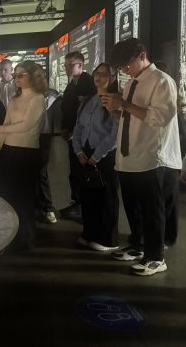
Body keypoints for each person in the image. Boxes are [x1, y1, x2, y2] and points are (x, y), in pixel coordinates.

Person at [101, 38, 181, 276]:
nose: (125, 70)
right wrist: (115, 110)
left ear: (142, 55)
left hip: (152, 157)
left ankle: (156, 257)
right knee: (133, 207)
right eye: (121, 67)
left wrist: (124, 104)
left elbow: (159, 118)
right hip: (129, 156)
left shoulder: (161, 81)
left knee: (152, 210)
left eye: (127, 64)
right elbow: (131, 118)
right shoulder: (132, 83)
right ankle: (138, 245)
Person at [0, 60, 47, 250]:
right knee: (8, 196)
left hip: (26, 153)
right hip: (9, 152)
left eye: (21, 74)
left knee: (24, 198)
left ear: (33, 76)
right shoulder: (15, 99)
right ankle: (10, 237)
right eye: (16, 74)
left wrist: (2, 129)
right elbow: (7, 125)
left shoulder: (38, 98)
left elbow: (26, 125)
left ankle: (26, 238)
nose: (16, 78)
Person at [73, 63, 120, 251]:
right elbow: (78, 127)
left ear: (112, 78)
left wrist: (97, 155)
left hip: (105, 154)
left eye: (103, 74)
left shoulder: (116, 100)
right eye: (96, 74)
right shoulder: (88, 100)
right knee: (88, 195)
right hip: (85, 152)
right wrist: (78, 150)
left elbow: (115, 133)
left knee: (106, 197)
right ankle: (89, 233)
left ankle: (107, 239)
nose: (98, 77)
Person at [59, 51, 95, 222]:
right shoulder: (71, 84)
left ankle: (82, 206)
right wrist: (64, 128)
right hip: (72, 135)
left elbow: (88, 113)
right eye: (65, 66)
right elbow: (67, 109)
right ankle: (77, 202)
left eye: (70, 65)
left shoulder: (88, 83)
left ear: (80, 65)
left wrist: (74, 132)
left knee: (80, 170)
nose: (67, 69)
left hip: (82, 137)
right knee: (74, 170)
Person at [35, 88, 61, 224]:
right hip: (30, 134)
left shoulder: (50, 95)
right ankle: (38, 207)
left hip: (43, 135)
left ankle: (47, 207)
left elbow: (48, 102)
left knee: (41, 172)